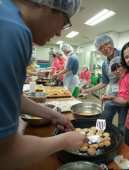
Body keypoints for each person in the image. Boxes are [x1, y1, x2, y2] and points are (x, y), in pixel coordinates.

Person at [0, 1, 89, 169]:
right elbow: (6, 153)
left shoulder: (5, 14)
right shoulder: (14, 30)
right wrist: (63, 141)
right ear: (44, 4)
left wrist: (53, 115)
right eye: (63, 23)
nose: (58, 33)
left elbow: (12, 98)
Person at [82, 34, 129, 132]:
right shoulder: (105, 64)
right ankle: (99, 139)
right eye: (101, 48)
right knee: (102, 121)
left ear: (112, 43)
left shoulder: (125, 56)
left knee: (122, 126)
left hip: (126, 98)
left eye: (107, 44)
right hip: (111, 96)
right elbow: (105, 82)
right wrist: (91, 89)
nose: (106, 48)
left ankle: (120, 145)